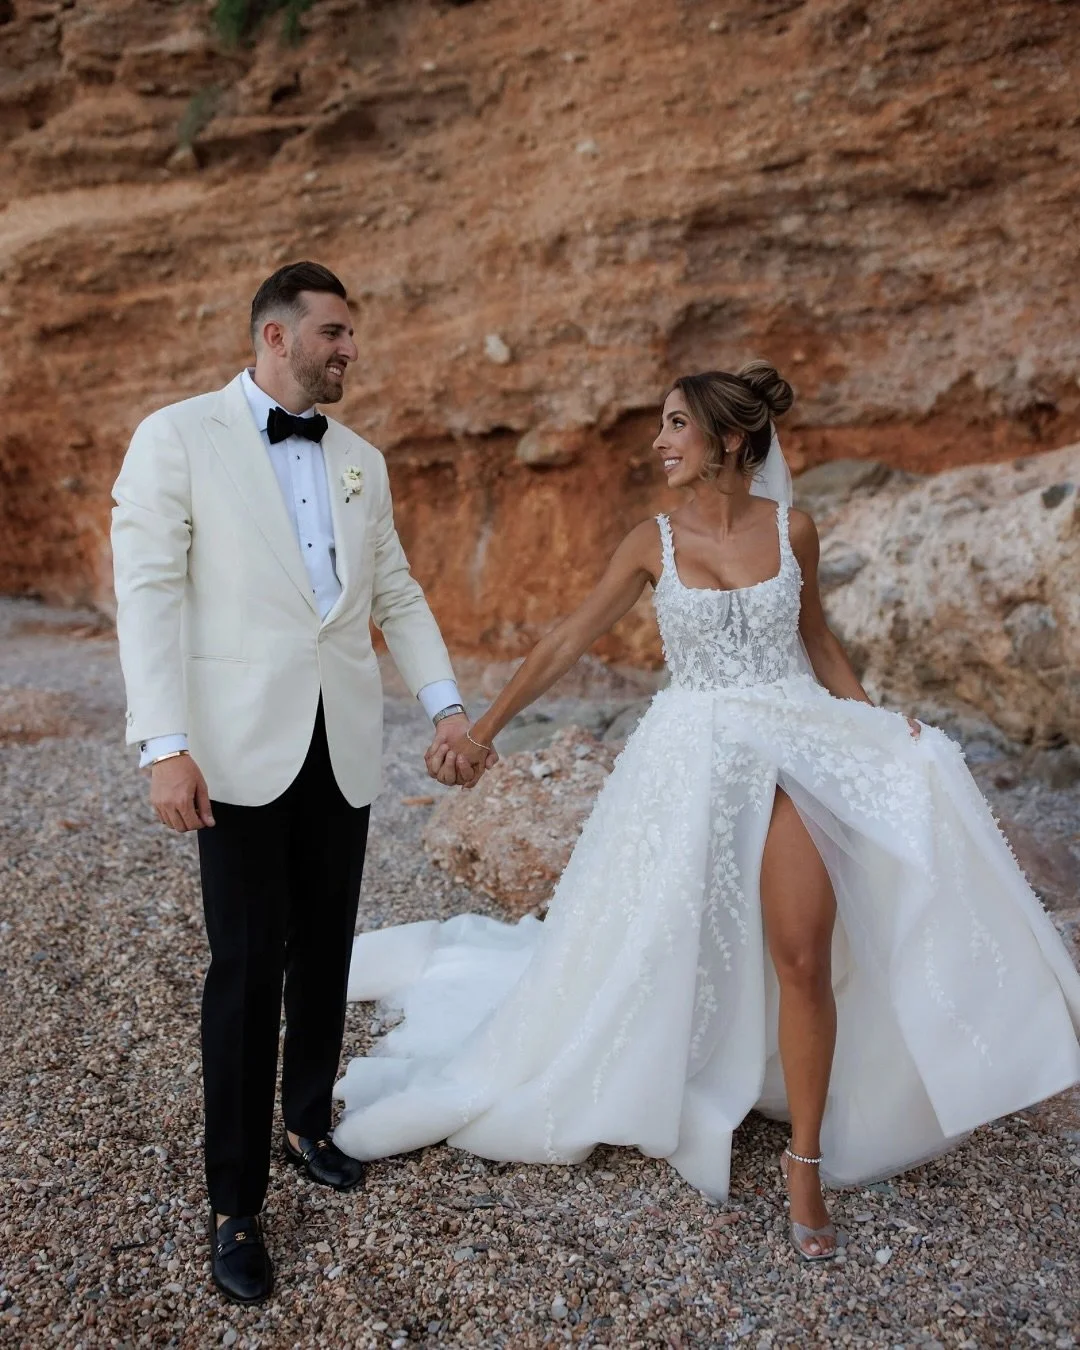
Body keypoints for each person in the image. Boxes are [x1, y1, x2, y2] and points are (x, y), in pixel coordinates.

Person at [334, 361, 1080, 1262]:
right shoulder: (651, 542)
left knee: (802, 950)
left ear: (729, 439)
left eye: (676, 425)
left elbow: (817, 640)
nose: (660, 441)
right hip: (690, 758)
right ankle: (678, 1064)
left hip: (798, 741)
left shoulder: (794, 529)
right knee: (660, 944)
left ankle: (804, 1159)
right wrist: (484, 728)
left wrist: (884, 726)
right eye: (661, 425)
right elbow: (571, 636)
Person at [110, 261, 493, 1303]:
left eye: (350, 334)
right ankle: (234, 1204)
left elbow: (398, 592)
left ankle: (307, 1121)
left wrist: (445, 702)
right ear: (275, 337)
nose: (348, 350)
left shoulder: (361, 458)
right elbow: (144, 595)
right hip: (231, 752)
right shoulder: (177, 437)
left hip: (344, 743)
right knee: (243, 972)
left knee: (324, 950)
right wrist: (163, 743)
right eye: (332, 332)